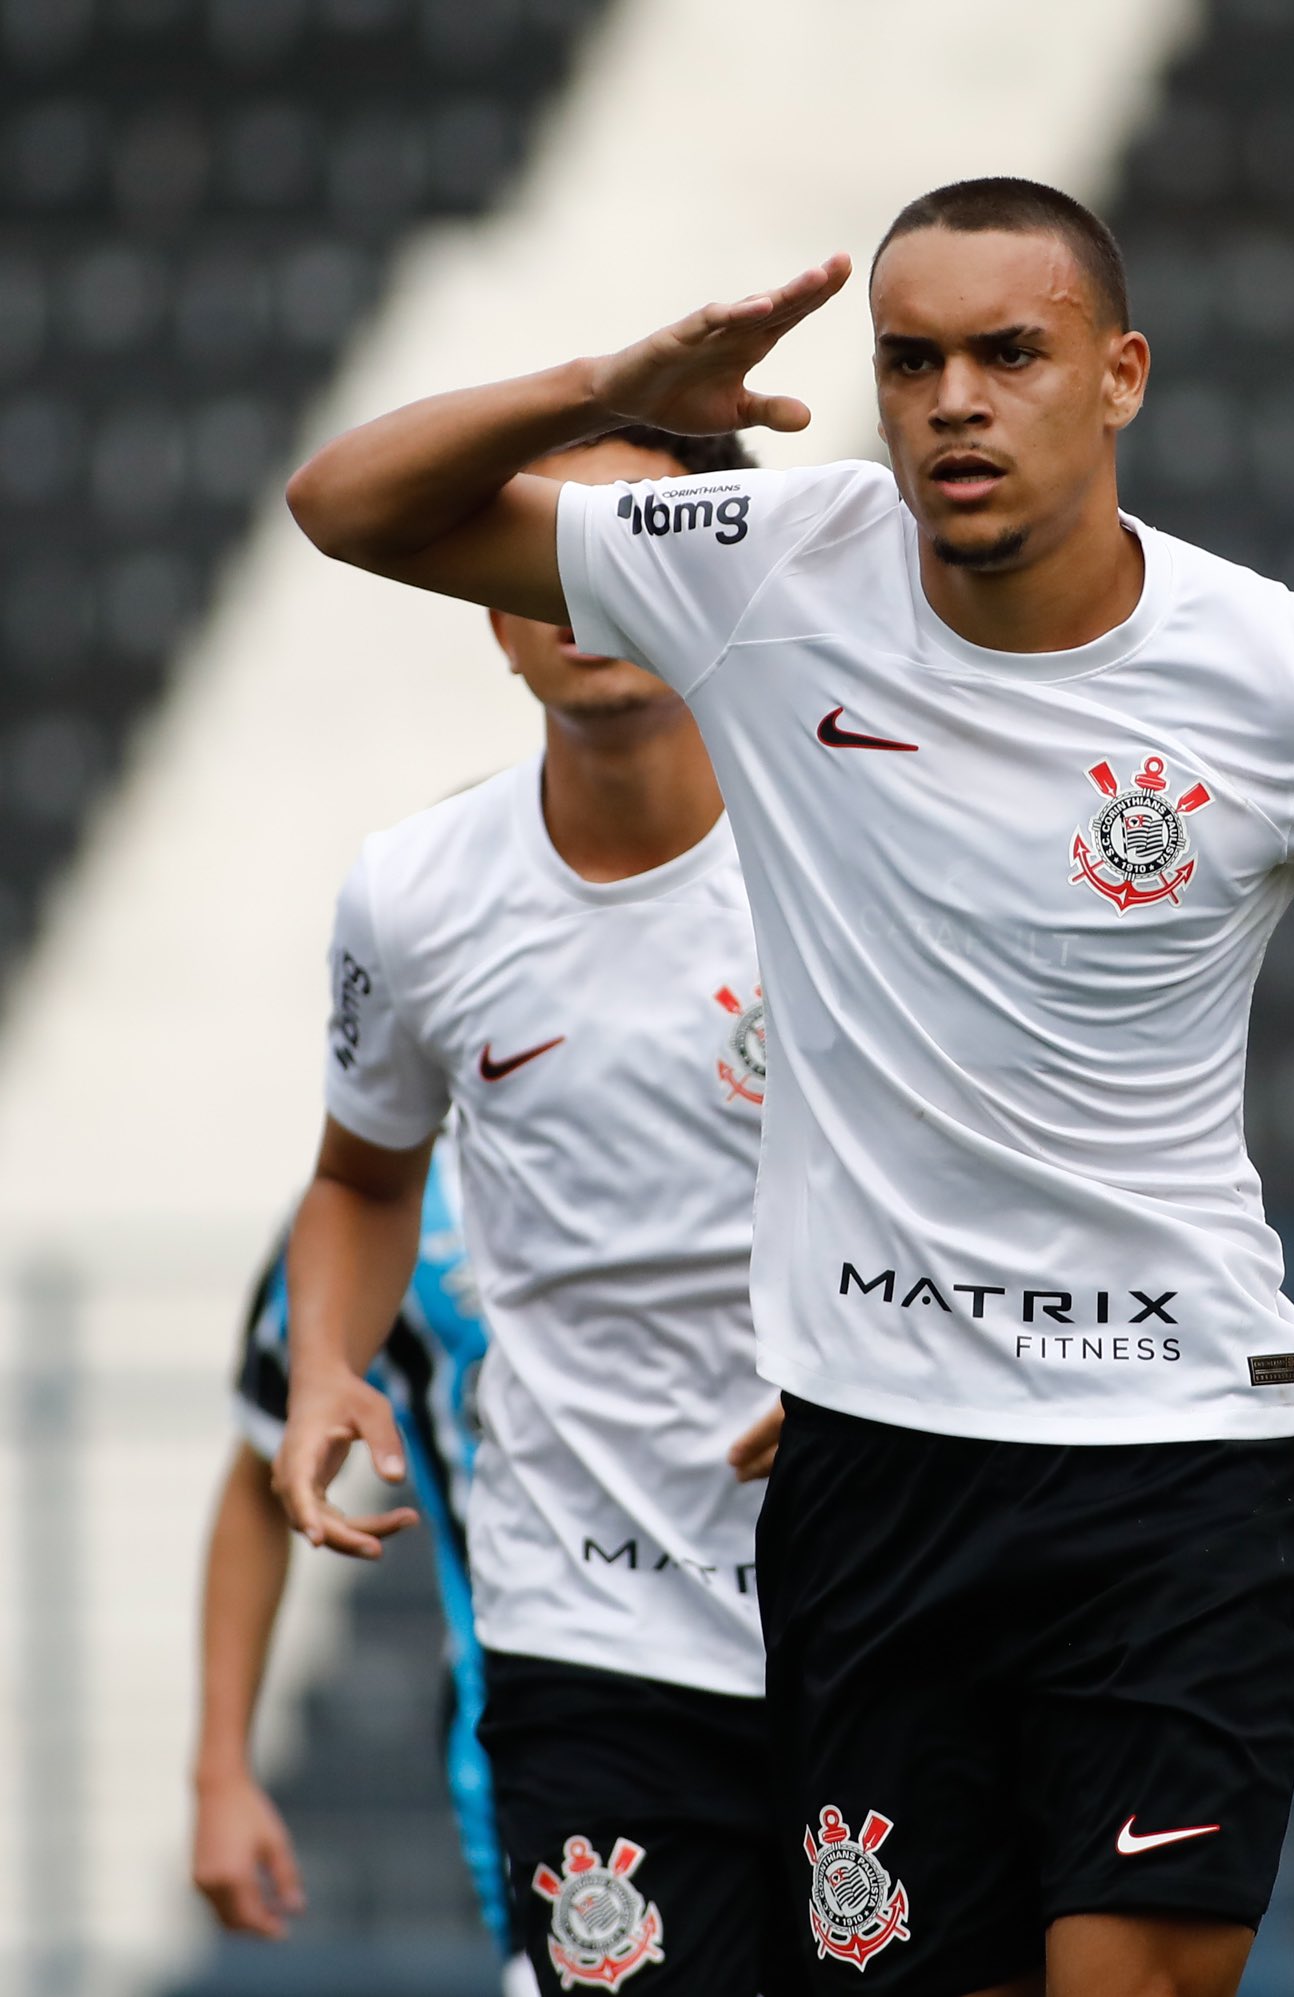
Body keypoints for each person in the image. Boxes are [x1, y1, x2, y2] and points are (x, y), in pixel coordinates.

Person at [282, 179, 1294, 1997]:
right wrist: (615, 377)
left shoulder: (1288, 679)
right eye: (909, 358)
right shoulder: (763, 572)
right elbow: (348, 505)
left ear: (1120, 375)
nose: (952, 400)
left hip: (1170, 1471)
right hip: (876, 1477)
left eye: (1009, 353)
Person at [272, 425, 795, 1997]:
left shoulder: (853, 843)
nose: (586, 584)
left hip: (873, 1597)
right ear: (487, 601)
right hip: (584, 1620)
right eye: (542, 548)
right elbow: (360, 1174)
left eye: (629, 535)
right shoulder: (415, 894)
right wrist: (319, 1369)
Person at [191, 1133, 529, 1992]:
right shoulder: (391, 1197)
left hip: (809, 1694)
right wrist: (221, 1771)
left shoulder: (747, 1131)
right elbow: (263, 1475)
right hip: (541, 1732)